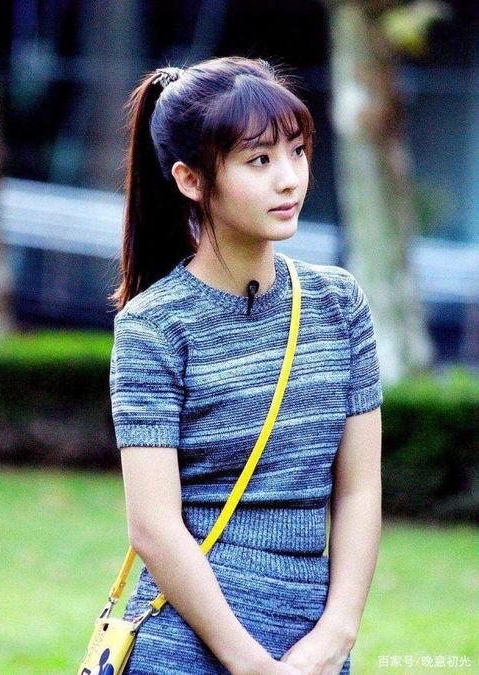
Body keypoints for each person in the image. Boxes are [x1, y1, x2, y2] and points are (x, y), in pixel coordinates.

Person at [108, 55, 383, 675]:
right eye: (259, 160)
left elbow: (360, 489)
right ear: (190, 180)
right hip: (187, 647)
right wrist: (251, 663)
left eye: (297, 151)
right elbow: (152, 526)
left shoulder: (339, 303)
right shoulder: (154, 325)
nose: (289, 179)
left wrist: (335, 636)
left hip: (314, 650)